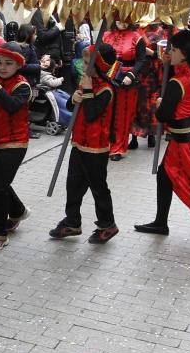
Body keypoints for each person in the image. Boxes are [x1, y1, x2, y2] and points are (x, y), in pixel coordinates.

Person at [48, 44, 119, 244]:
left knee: (98, 187)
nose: (84, 65)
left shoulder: (107, 89)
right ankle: (72, 221)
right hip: (78, 142)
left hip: (96, 147)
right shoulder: (86, 81)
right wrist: (74, 97)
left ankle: (107, 224)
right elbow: (73, 106)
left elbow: (91, 113)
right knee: (73, 184)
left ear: (99, 65)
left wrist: (86, 91)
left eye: (88, 62)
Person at [134, 29, 190, 236]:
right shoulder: (189, 73)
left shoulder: (178, 82)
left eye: (174, 49)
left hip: (184, 144)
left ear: (184, 53)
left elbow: (163, 115)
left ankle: (161, 222)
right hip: (183, 140)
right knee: (164, 176)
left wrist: (160, 103)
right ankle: (161, 222)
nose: (171, 52)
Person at [0, 42, 31, 251]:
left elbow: (11, 106)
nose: (2, 67)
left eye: (8, 63)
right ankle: (18, 210)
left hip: (16, 143)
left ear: (18, 65)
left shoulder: (23, 86)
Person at [103, 20, 146, 160]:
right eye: (119, 18)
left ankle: (118, 148)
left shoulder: (136, 37)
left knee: (123, 115)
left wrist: (131, 74)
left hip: (127, 80)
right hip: (107, 78)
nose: (123, 22)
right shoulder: (106, 35)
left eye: (126, 19)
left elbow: (141, 60)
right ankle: (105, 145)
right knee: (107, 113)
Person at [130, 22, 168, 150]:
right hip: (139, 71)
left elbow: (163, 54)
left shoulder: (160, 32)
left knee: (151, 104)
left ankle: (151, 135)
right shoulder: (138, 30)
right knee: (137, 104)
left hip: (154, 72)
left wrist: (151, 52)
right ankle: (134, 137)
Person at [39, 54, 71, 126]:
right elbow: (52, 83)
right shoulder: (46, 76)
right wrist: (61, 79)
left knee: (65, 97)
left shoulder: (45, 74)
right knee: (62, 102)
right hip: (49, 92)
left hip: (52, 91)